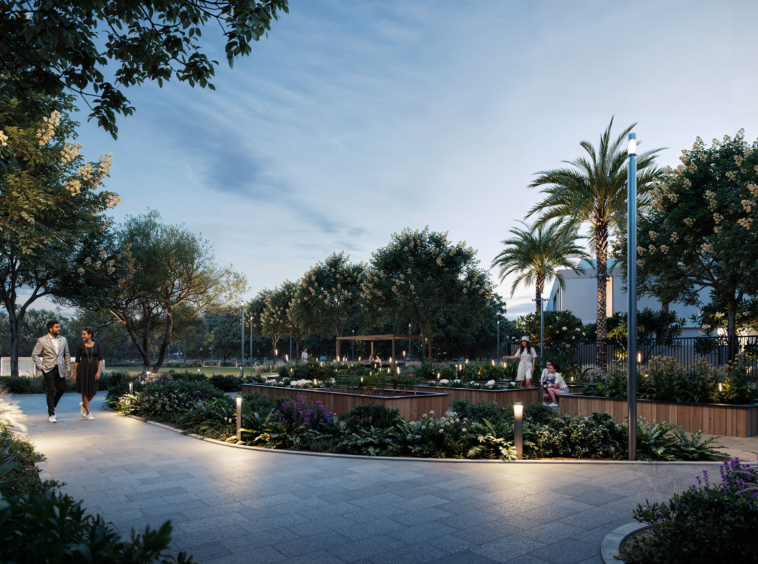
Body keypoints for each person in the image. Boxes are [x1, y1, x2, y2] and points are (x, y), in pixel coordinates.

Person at [31, 320, 71, 423]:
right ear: (50, 329)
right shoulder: (42, 340)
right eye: (57, 327)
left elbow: (66, 354)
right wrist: (41, 367)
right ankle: (51, 414)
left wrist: (68, 368)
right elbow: (34, 355)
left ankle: (51, 405)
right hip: (48, 369)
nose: (59, 329)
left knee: (61, 389)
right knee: (51, 390)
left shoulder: (63, 339)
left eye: (59, 327)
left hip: (60, 368)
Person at [73, 328, 103, 420]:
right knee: (84, 391)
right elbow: (77, 361)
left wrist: (98, 372)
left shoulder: (97, 345)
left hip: (93, 369)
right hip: (83, 369)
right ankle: (89, 413)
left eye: (84, 334)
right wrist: (74, 374)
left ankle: (83, 405)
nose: (82, 336)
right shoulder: (80, 346)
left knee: (93, 391)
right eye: (82, 334)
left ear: (90, 335)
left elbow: (100, 359)